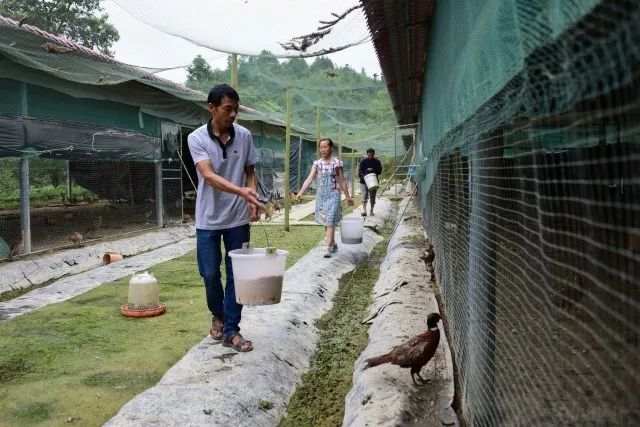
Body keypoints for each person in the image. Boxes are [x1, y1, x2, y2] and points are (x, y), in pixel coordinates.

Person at [187, 84, 263, 353]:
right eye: (227, 109)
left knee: (237, 275)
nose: (233, 115)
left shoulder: (244, 136)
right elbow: (208, 175)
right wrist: (240, 190)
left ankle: (232, 329)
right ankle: (217, 314)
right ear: (212, 108)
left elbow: (249, 170)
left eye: (236, 110)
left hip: (237, 219)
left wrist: (250, 193)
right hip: (207, 219)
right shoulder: (196, 138)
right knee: (209, 274)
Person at [294, 138, 354, 258]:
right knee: (326, 223)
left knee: (330, 219)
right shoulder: (317, 163)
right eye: (321, 147)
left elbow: (342, 180)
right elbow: (310, 178)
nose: (322, 149)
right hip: (321, 196)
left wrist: (348, 197)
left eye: (325, 147)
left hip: (334, 194)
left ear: (331, 148)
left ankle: (328, 247)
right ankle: (334, 243)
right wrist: (300, 192)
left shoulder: (337, 163)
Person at [358, 148, 383, 216]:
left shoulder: (377, 162)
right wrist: (365, 175)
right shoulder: (363, 161)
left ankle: (371, 211)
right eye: (369, 155)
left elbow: (379, 171)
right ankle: (364, 211)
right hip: (363, 182)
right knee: (364, 196)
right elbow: (360, 172)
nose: (370, 157)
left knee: (372, 197)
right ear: (367, 154)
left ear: (374, 154)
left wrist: (373, 170)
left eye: (372, 155)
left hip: (373, 181)